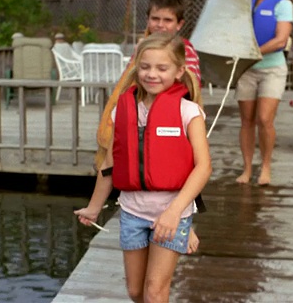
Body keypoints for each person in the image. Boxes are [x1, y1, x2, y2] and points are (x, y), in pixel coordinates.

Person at [75, 32, 212, 303]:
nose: (152, 74)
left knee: (155, 292)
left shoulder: (189, 112)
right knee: (136, 292)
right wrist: (94, 207)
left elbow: (203, 167)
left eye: (162, 68)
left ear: (179, 71)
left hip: (173, 214)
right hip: (132, 213)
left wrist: (174, 213)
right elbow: (109, 164)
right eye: (145, 67)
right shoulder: (122, 111)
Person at [97, 0, 203, 254]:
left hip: (178, 124)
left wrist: (182, 118)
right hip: (141, 119)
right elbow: (130, 81)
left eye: (167, 20)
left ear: (179, 25)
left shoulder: (186, 51)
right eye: (155, 18)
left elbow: (194, 88)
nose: (160, 25)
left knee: (180, 166)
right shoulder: (142, 48)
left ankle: (186, 223)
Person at [235, 0, 293, 186]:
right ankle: (247, 168)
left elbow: (280, 40)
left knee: (264, 119)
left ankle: (266, 167)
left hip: (272, 69)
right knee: (246, 121)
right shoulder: (249, 0)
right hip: (246, 69)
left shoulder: (284, 4)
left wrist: (254, 51)